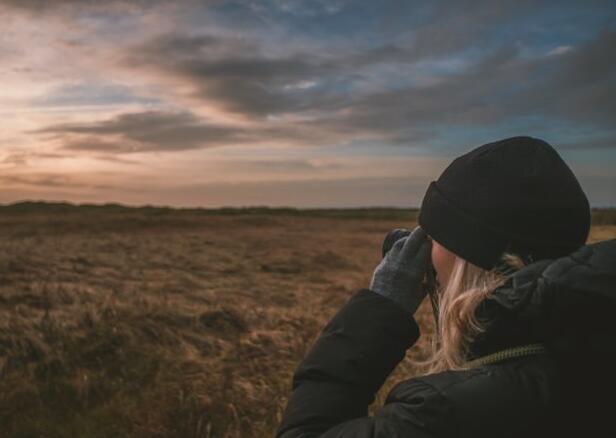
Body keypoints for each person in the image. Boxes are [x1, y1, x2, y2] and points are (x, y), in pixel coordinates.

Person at [275, 136, 616, 438]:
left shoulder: (443, 412)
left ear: (466, 255)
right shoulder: (593, 345)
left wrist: (383, 303)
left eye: (432, 239)